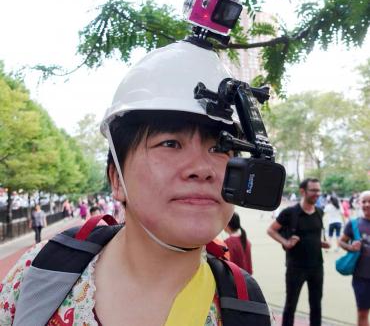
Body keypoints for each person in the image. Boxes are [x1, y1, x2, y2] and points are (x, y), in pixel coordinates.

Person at [0, 40, 270, 325]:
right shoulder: (38, 274)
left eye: (220, 148)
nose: (202, 169)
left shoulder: (246, 309)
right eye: (170, 143)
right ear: (117, 179)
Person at [267, 178, 331, 326]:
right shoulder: (290, 213)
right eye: (314, 190)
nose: (317, 193)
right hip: (296, 267)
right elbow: (271, 230)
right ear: (303, 191)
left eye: (318, 190)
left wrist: (320, 243)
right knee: (291, 304)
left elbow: (312, 235)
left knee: (316, 305)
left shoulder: (320, 212)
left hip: (317, 267)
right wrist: (286, 242)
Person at [339, 191, 370, 326]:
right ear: (359, 203)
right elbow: (341, 241)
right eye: (364, 201)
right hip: (361, 277)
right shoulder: (354, 224)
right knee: (362, 313)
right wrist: (351, 247)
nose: (367, 204)